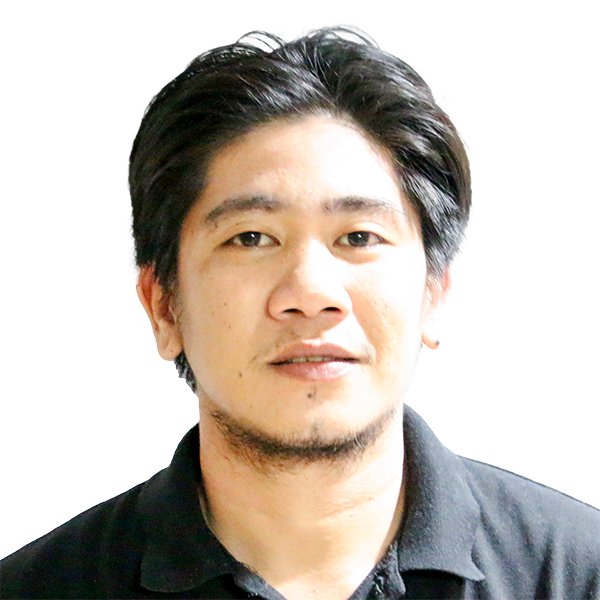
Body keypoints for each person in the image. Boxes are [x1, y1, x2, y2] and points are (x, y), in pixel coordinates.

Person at [1, 27, 598, 600]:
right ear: (163, 307)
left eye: (359, 237)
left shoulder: (577, 577)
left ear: (433, 293)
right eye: (251, 238)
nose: (310, 293)